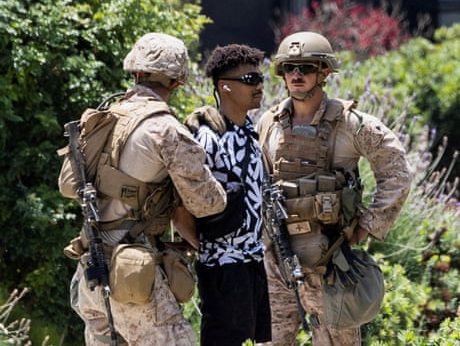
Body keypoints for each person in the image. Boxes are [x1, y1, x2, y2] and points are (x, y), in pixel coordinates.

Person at [60, 32, 227, 346]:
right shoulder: (164, 128)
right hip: (131, 274)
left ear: (136, 72)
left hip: (91, 270)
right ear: (177, 81)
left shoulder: (104, 117)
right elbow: (208, 202)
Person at [256, 31, 413, 345]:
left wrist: (367, 226)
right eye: (290, 68)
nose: (297, 75)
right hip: (277, 256)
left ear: (324, 72)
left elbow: (397, 171)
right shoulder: (268, 123)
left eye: (306, 67)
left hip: (329, 257)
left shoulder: (350, 124)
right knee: (271, 339)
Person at [183, 44, 272, 346]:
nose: (259, 86)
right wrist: (207, 245)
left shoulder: (249, 132)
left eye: (261, 79)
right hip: (223, 268)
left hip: (253, 263)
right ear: (225, 88)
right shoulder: (207, 137)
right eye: (250, 80)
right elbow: (179, 205)